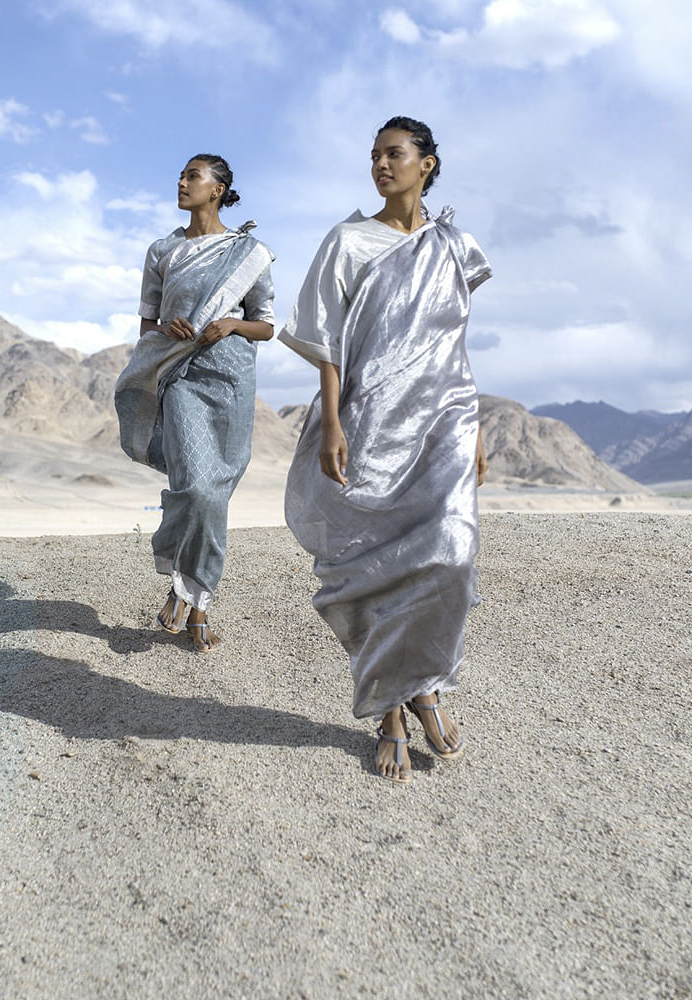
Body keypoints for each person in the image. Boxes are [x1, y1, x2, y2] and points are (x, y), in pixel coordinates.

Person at [279, 116, 491, 782]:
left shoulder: (455, 246)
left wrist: (478, 421)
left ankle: (424, 683)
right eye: (374, 155)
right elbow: (329, 343)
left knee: (450, 555)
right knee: (374, 570)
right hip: (370, 420)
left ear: (426, 164)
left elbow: (454, 342)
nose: (381, 164)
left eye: (394, 154)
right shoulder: (348, 241)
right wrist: (333, 424)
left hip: (445, 419)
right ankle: (395, 711)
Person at [115, 154, 275, 652]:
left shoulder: (249, 253)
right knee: (197, 487)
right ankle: (190, 589)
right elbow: (146, 324)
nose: (181, 182)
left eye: (192, 176)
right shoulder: (162, 250)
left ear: (219, 189)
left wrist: (230, 324)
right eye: (181, 175)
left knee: (215, 489)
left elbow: (266, 325)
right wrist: (166, 326)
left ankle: (195, 598)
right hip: (179, 374)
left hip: (230, 378)